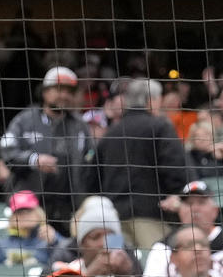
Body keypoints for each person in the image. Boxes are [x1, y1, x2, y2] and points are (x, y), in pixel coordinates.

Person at [82, 78, 191, 250]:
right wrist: (179, 195)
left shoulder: (109, 135)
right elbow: (174, 167)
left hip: (115, 221)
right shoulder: (160, 126)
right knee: (154, 266)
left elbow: (91, 181)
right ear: (151, 100)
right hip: (150, 217)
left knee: (120, 267)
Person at [0, 66, 92, 233]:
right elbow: (6, 150)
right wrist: (33, 160)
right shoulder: (24, 120)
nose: (64, 95)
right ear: (45, 92)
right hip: (28, 209)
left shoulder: (80, 126)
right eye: (58, 89)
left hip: (67, 210)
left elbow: (91, 160)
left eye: (69, 91)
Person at [143, 181, 223, 277]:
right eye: (188, 203)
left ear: (215, 211)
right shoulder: (163, 248)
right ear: (179, 211)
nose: (194, 209)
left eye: (201, 202)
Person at [0, 190, 64, 269]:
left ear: (38, 213)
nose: (24, 215)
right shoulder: (1, 244)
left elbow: (66, 259)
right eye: (19, 212)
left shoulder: (51, 237)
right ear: (12, 217)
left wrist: (54, 242)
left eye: (28, 211)